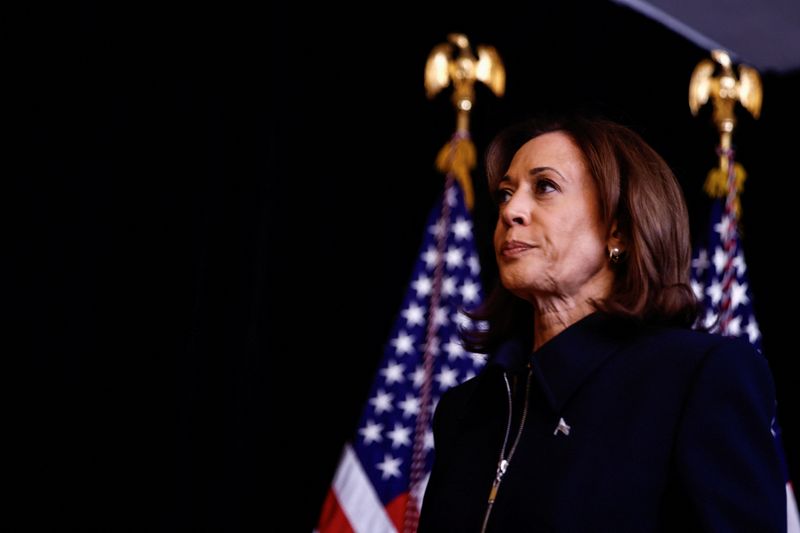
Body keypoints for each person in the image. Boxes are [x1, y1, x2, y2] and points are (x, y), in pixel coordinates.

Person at [417, 114, 786, 532]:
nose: (511, 211)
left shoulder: (698, 377)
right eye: (505, 193)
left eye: (545, 187)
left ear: (619, 230)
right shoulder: (465, 411)